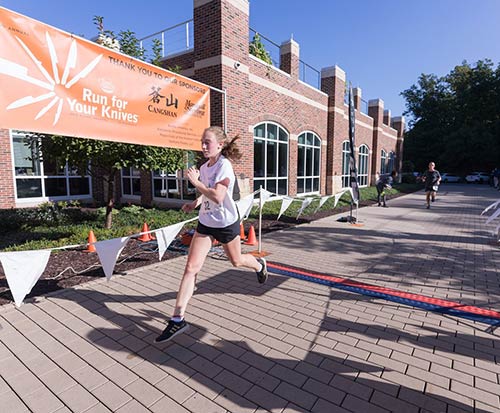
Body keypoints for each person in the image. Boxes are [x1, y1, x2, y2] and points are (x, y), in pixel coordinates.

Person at [155, 126, 268, 343]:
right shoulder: (205, 167)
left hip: (226, 223)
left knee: (236, 261)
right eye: (202, 141)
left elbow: (217, 196)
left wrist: (196, 183)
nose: (203, 146)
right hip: (206, 222)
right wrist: (195, 202)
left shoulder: (225, 166)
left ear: (220, 145)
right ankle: (177, 319)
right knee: (190, 268)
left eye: (207, 142)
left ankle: (259, 265)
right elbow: (206, 192)